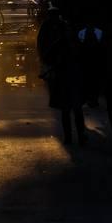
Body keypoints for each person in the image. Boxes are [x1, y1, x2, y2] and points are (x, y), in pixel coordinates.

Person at [37, 7, 86, 145]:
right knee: (74, 109)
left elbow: (45, 51)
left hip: (65, 77)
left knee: (68, 109)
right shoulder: (67, 37)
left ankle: (71, 137)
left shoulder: (59, 38)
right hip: (69, 77)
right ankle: (77, 136)